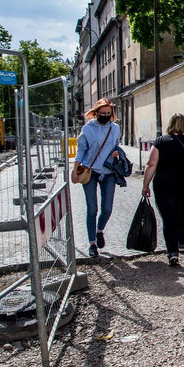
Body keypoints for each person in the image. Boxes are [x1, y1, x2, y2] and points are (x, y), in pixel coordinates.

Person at [141, 113, 184, 266]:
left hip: (165, 184)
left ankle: (172, 252)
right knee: (182, 211)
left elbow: (151, 164)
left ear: (170, 124)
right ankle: (182, 240)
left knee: (169, 218)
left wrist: (145, 184)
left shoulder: (161, 142)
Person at [71, 98, 122, 258]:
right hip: (90, 171)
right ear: (96, 113)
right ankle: (92, 243)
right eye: (102, 113)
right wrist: (75, 169)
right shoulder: (88, 129)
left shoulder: (115, 128)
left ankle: (100, 230)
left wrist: (116, 153)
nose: (105, 116)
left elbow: (116, 146)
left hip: (108, 172)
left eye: (108, 113)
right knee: (92, 208)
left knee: (107, 208)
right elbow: (81, 149)